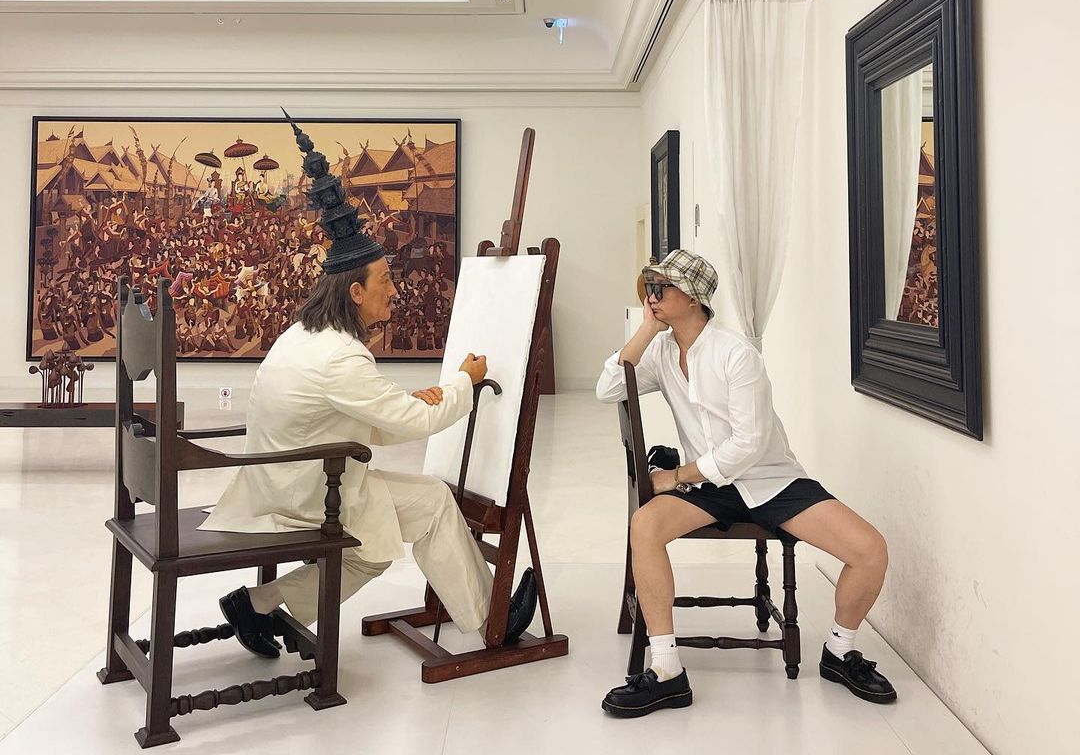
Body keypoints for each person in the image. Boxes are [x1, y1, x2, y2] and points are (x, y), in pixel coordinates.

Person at [203, 115, 537, 657]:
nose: (394, 291)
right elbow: (414, 424)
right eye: (385, 281)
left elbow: (348, 413)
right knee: (432, 501)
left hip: (288, 477)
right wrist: (465, 381)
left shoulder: (303, 335)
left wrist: (403, 403)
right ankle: (490, 623)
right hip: (311, 488)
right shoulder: (341, 356)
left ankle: (258, 604)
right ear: (355, 291)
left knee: (376, 546)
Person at [596, 249, 894, 717]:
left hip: (771, 479)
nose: (651, 296)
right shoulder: (661, 352)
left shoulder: (736, 354)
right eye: (649, 288)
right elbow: (608, 388)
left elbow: (749, 445)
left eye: (661, 288)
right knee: (645, 526)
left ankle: (840, 651)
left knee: (870, 549)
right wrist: (647, 330)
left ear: (692, 298)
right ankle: (667, 671)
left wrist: (676, 476)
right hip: (711, 489)